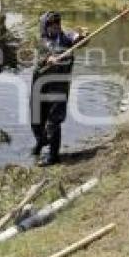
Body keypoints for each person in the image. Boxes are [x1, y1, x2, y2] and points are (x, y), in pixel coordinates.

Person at [30, 11, 86, 166]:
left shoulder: (66, 37)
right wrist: (50, 58)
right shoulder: (40, 39)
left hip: (59, 85)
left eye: (57, 23)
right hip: (40, 84)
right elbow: (44, 52)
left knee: (54, 121)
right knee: (36, 121)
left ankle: (53, 156)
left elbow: (78, 39)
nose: (55, 26)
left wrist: (83, 37)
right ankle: (41, 141)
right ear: (45, 26)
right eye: (51, 24)